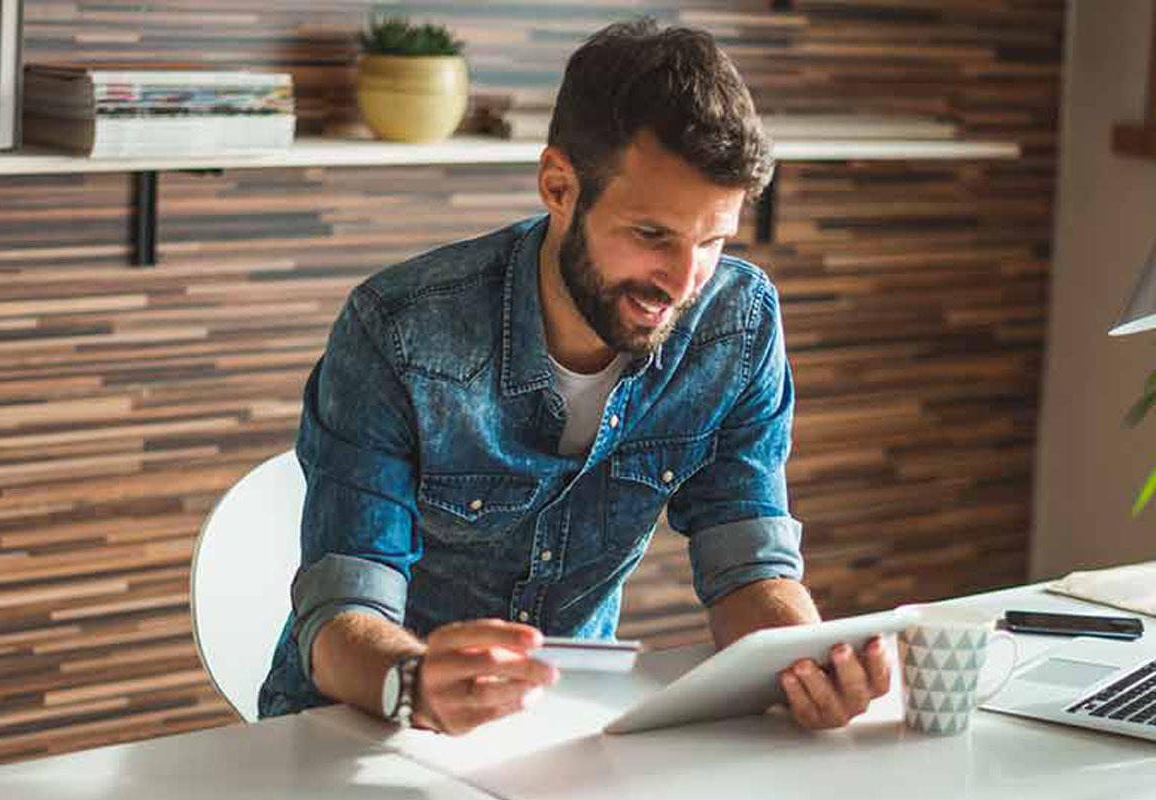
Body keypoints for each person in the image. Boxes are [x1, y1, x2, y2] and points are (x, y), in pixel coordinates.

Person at [258, 18, 891, 735]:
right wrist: (416, 682)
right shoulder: (399, 332)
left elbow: (749, 565)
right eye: (651, 235)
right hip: (357, 725)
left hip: (564, 729)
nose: (684, 281)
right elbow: (343, 610)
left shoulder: (735, 324)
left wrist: (807, 668)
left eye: (712, 240)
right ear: (560, 186)